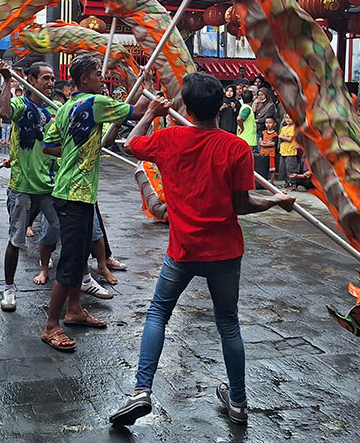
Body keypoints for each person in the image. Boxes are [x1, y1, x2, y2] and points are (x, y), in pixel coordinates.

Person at [109, 72, 295, 427]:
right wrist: (275, 201)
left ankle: (141, 391)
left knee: (157, 315)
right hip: (224, 250)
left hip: (182, 248)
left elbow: (131, 144)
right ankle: (238, 400)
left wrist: (150, 114)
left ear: (186, 108)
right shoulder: (236, 147)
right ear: (220, 105)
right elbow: (242, 205)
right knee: (228, 324)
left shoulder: (168, 139)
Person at [40, 54, 148, 352]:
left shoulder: (64, 108)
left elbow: (49, 146)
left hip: (72, 190)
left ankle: (74, 310)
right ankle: (51, 325)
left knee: (79, 255)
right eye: (98, 75)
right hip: (75, 193)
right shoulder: (95, 103)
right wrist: (151, 97)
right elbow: (137, 111)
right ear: (85, 78)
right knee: (71, 261)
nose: (102, 79)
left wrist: (76, 150)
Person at [0, 60, 59, 309]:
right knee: (16, 240)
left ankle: (57, 268)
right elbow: (4, 113)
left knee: (61, 228)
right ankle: (9, 289)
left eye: (52, 78)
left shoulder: (55, 109)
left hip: (49, 185)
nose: (51, 83)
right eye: (45, 78)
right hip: (22, 185)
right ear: (30, 80)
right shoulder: (22, 105)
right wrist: (7, 80)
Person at [276, 113, 298, 187]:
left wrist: (283, 137)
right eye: (286, 118)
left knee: (291, 168)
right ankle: (286, 182)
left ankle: (293, 184)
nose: (288, 120)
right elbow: (280, 138)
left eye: (290, 118)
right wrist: (283, 137)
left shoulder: (294, 127)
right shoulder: (283, 128)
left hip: (291, 151)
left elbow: (289, 139)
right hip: (283, 151)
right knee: (283, 168)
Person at [258, 116, 278, 180]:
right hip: (263, 153)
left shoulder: (275, 134)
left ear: (274, 124)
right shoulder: (263, 132)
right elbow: (260, 141)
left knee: (272, 167)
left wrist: (264, 144)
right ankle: (263, 180)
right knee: (263, 167)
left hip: (271, 153)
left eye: (270, 123)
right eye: (266, 123)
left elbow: (273, 143)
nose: (268, 124)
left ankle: (272, 181)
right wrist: (263, 143)